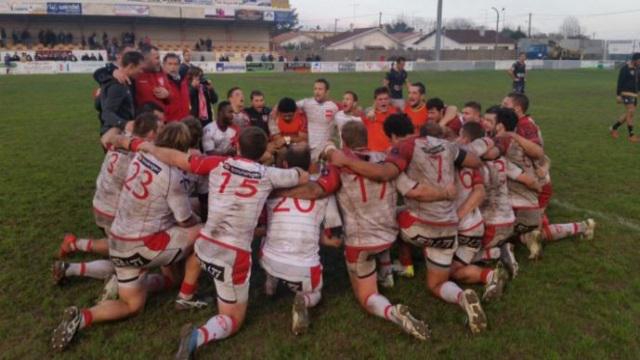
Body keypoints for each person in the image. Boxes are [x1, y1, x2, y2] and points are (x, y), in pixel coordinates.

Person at [134, 127, 308, 359]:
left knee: (202, 247)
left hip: (204, 244)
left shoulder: (217, 163)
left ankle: (185, 296)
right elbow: (302, 176)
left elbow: (177, 158)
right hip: (232, 255)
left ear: (237, 147)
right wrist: (297, 167)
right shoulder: (269, 174)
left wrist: (148, 147)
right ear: (263, 151)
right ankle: (198, 337)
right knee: (233, 320)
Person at [277, 120, 459, 341]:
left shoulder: (339, 166)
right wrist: (445, 194)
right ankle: (386, 273)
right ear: (366, 139)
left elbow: (316, 191)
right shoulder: (387, 162)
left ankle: (393, 312)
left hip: (360, 243)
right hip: (388, 237)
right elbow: (413, 190)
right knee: (389, 228)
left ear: (343, 141)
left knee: (367, 296)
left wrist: (278, 193)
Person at [328, 115, 488, 334]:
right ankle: (462, 296)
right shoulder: (446, 145)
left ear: (392, 136)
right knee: (436, 284)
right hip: (448, 226)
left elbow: (389, 176)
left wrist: (342, 159)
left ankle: (396, 295)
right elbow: (475, 161)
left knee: (367, 293)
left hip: (411, 228)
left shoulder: (400, 150)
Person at [50, 123, 203, 352]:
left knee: (132, 305)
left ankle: (82, 318)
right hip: (143, 246)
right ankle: (186, 296)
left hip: (119, 241)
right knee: (206, 231)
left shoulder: (141, 154)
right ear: (182, 148)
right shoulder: (172, 176)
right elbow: (185, 221)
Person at [53, 113, 161, 290]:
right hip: (113, 211)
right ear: (150, 133)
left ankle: (72, 248)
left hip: (101, 203)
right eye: (161, 127)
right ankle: (73, 265)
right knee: (128, 260)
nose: (163, 129)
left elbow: (106, 138)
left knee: (119, 252)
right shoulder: (141, 155)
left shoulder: (122, 138)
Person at [259, 144, 341, 335]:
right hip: (303, 268)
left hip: (269, 259)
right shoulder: (322, 189)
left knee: (269, 235)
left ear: (285, 164)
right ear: (310, 164)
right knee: (316, 292)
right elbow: (332, 233)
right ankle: (303, 300)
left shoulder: (272, 185)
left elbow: (263, 225)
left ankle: (270, 285)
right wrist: (329, 240)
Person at [99, 51, 145, 137]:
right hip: (114, 132)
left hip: (120, 131)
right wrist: (124, 124)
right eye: (140, 68)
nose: (142, 71)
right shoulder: (118, 85)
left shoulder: (127, 81)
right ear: (131, 66)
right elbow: (107, 113)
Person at [296, 79, 339, 166]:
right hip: (310, 148)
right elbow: (288, 105)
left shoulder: (334, 107)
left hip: (325, 148)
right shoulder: (307, 103)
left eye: (320, 89)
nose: (317, 92)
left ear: (327, 92)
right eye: (315, 89)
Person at [610, 52, 640, 142]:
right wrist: (618, 95)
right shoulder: (625, 69)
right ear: (634, 60)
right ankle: (631, 135)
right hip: (625, 93)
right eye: (639, 60)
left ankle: (613, 128)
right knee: (630, 112)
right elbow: (620, 82)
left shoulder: (638, 69)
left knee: (629, 113)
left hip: (634, 94)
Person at [134, 46, 169, 111]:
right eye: (157, 58)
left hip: (161, 118)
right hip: (143, 118)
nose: (159, 61)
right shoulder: (135, 74)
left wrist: (167, 94)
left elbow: (171, 96)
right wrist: (115, 71)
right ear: (146, 59)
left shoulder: (162, 73)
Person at [363, 87, 398, 152]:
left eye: (386, 99)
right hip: (372, 153)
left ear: (389, 100)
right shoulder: (369, 115)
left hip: (389, 153)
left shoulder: (395, 114)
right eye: (380, 99)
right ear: (375, 101)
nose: (383, 101)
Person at [162, 53, 191, 122]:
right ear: (164, 65)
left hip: (184, 122)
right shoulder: (160, 82)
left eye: (176, 64)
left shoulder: (183, 81)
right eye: (170, 64)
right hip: (169, 124)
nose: (173, 67)